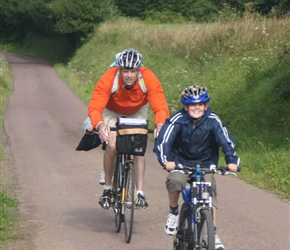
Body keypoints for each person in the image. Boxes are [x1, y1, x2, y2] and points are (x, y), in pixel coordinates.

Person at [154, 85, 240, 250]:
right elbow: (164, 142)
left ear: (206, 106)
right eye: (193, 105)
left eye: (200, 104)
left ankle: (213, 234)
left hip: (206, 164)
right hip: (180, 162)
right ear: (186, 106)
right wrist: (167, 161)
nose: (197, 108)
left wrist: (232, 161)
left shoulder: (213, 120)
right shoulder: (177, 119)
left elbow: (225, 140)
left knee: (208, 189)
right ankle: (173, 212)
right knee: (175, 180)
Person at [88, 48, 170, 209]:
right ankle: (107, 190)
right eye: (125, 71)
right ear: (120, 69)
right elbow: (95, 107)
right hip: (112, 110)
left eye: (133, 71)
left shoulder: (148, 78)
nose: (129, 75)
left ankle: (139, 193)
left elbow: (160, 107)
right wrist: (100, 125)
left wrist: (160, 125)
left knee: (137, 148)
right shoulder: (109, 78)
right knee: (112, 145)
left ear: (138, 70)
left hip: (137, 110)